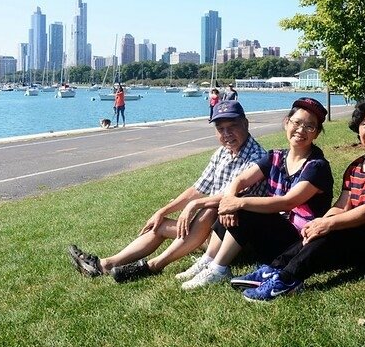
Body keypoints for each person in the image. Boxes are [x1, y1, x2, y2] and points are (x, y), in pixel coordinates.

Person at [235, 97, 365, 302]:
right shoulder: (356, 167)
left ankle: (287, 280)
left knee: (335, 230)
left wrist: (329, 223)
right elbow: (342, 206)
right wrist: (320, 222)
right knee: (324, 228)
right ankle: (274, 269)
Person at [68, 100, 267, 282]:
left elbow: (229, 200)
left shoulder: (258, 159)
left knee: (210, 209)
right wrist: (163, 211)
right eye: (220, 129)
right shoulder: (222, 153)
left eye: (232, 126)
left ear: (245, 124)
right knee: (160, 224)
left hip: (234, 241)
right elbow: (197, 189)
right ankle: (104, 264)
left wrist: (194, 205)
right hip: (208, 233)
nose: (226, 134)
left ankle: (154, 266)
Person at [177, 97, 334, 290]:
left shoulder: (317, 167)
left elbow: (287, 202)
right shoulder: (276, 156)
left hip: (298, 241)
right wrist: (231, 200)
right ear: (287, 123)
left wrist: (238, 204)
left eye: (310, 127)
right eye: (297, 123)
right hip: (273, 234)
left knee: (245, 207)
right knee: (233, 204)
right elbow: (240, 180)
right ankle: (209, 259)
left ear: (316, 133)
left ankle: (219, 269)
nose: (301, 130)